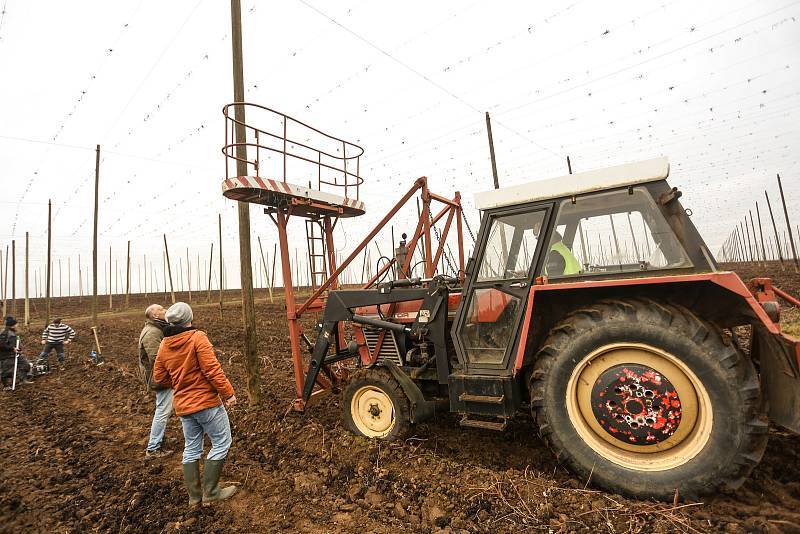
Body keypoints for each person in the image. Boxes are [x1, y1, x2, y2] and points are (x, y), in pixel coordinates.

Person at [153, 302, 237, 507]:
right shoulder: (197, 337)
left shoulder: (165, 343)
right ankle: (211, 492)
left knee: (191, 448)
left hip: (183, 405)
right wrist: (228, 394)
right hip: (206, 402)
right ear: (189, 318)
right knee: (222, 442)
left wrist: (180, 382)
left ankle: (194, 497)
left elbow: (159, 376)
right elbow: (212, 369)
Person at [138, 304, 174, 460]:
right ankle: (153, 449)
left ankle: (158, 441)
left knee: (165, 410)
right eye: (161, 309)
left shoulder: (157, 329)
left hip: (161, 377)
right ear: (154, 316)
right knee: (162, 411)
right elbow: (157, 359)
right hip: (160, 378)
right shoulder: (152, 333)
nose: (165, 310)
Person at [1, 316, 32, 389]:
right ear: (13, 325)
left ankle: (23, 380)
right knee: (6, 371)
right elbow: (1, 344)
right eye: (16, 324)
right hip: (7, 355)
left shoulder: (12, 332)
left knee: (25, 365)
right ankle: (6, 386)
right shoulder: (4, 333)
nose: (17, 325)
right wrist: (12, 348)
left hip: (16, 354)